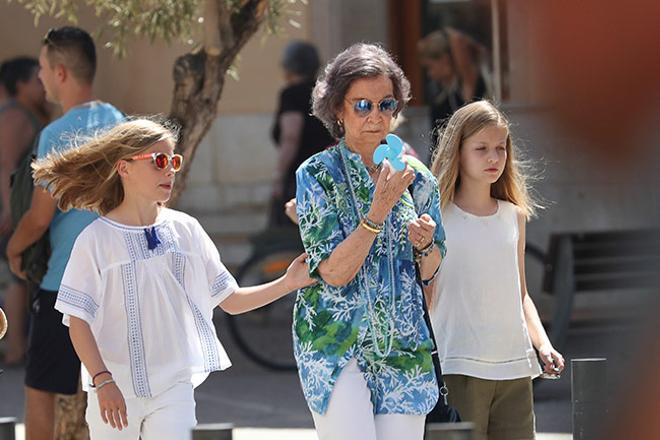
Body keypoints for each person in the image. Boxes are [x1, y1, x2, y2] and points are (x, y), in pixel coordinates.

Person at [31, 118, 314, 438]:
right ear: (124, 168)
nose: (170, 171)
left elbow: (231, 300)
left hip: (173, 388)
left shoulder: (187, 230)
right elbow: (77, 320)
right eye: (159, 161)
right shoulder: (95, 240)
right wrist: (102, 380)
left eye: (174, 161)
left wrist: (288, 282)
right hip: (114, 388)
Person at [294, 43, 446, 440]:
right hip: (335, 345)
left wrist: (425, 245)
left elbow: (431, 271)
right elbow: (333, 271)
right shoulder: (317, 175)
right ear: (338, 110)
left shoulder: (416, 175)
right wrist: (377, 212)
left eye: (385, 104)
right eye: (362, 105)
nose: (375, 116)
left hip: (403, 347)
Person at [6, 26, 124, 439]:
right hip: (115, 279)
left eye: (41, 68)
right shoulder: (120, 124)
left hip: (65, 283)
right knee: (112, 387)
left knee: (41, 389)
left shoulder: (55, 135)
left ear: (59, 73)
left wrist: (14, 250)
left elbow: (39, 219)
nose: (38, 77)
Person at [429, 100, 564, 440]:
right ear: (457, 151)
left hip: (515, 366)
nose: (494, 157)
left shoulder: (514, 216)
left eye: (501, 148)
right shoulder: (434, 216)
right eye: (481, 148)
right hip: (458, 363)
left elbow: (520, 293)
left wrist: (543, 345)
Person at [0, 56, 48, 365]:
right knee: (17, 277)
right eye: (36, 79)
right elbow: (5, 164)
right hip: (9, 212)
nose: (42, 84)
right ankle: (16, 347)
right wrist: (9, 211)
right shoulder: (16, 117)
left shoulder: (27, 114)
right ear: (20, 85)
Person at [270, 41, 334, 226]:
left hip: (301, 178)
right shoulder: (326, 93)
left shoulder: (292, 94)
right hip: (328, 172)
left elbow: (291, 137)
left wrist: (279, 177)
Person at [418, 28, 489, 148]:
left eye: (431, 67)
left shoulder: (465, 87)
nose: (429, 74)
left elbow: (457, 40)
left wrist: (446, 32)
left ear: (445, 60)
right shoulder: (440, 89)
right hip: (438, 155)